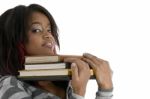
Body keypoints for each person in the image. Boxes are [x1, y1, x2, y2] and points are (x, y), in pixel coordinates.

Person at [0, 4, 113, 99]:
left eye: (49, 30)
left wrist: (105, 89)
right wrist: (78, 92)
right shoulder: (8, 84)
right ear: (14, 40)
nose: (48, 35)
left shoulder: (64, 81)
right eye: (36, 30)